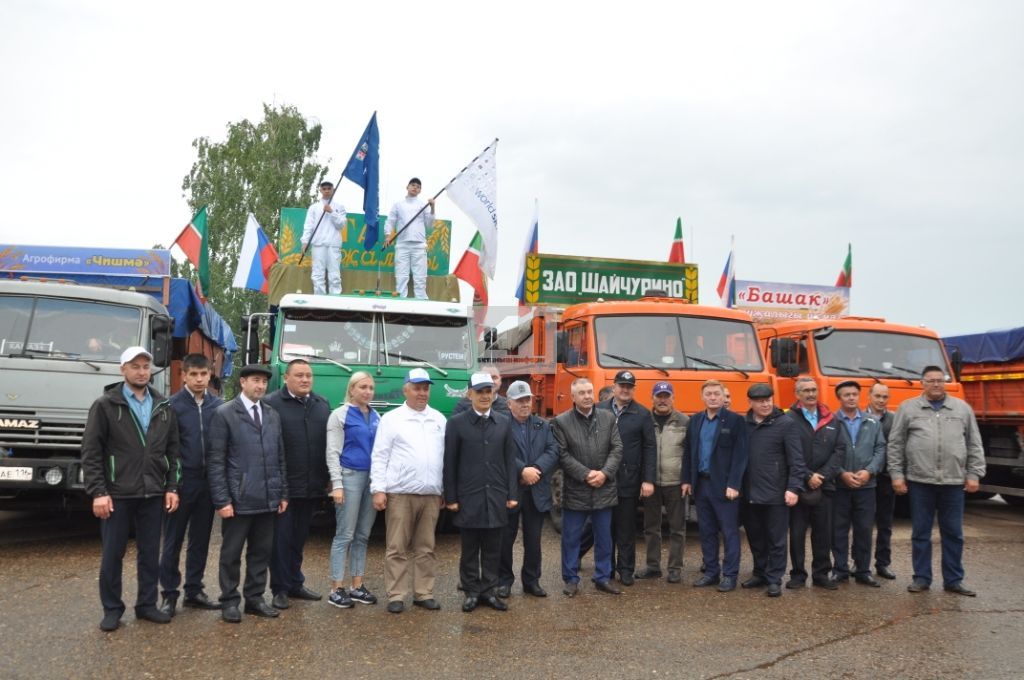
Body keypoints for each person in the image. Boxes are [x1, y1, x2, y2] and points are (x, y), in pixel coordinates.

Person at [81, 346, 181, 632]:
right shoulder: (106, 405)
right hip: (117, 494)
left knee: (150, 553)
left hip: (153, 493)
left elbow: (173, 451)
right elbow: (90, 451)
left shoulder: (163, 406)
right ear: (122, 369)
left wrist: (172, 486)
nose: (141, 371)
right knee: (113, 554)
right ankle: (112, 609)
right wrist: (98, 491)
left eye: (145, 366)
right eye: (135, 366)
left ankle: (146, 605)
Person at [888, 366, 986, 596]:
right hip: (920, 481)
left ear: (945, 383)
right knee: (921, 532)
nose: (935, 384)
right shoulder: (908, 408)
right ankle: (922, 578)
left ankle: (953, 580)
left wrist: (974, 474)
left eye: (939, 380)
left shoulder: (962, 409)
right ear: (922, 383)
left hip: (953, 482)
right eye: (930, 380)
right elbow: (895, 444)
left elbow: (974, 443)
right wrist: (897, 475)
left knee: (953, 533)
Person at [207, 364, 289, 623]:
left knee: (260, 553)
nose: (261, 386)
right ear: (243, 382)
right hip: (238, 500)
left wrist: (282, 493)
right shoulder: (225, 413)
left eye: (264, 382)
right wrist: (222, 500)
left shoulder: (272, 414)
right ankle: (229, 601)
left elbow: (280, 457)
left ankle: (254, 599)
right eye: (256, 380)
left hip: (267, 499)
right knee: (231, 555)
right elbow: (216, 461)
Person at [370, 368, 447, 613]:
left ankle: (423, 593)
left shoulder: (438, 419)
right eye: (417, 388)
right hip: (400, 493)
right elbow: (380, 456)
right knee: (397, 547)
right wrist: (378, 489)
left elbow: (444, 457)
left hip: (431, 494)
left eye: (425, 388)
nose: (422, 393)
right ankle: (396, 594)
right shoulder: (392, 419)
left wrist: (444, 488)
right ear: (406, 389)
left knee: (426, 547)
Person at [444, 373, 519, 612]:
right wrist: (452, 497)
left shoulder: (504, 422)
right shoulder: (456, 423)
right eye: (480, 392)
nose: (485, 396)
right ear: (470, 395)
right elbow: (450, 463)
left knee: (493, 548)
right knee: (469, 549)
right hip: (468, 497)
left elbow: (509, 460)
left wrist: (512, 494)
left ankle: (489, 590)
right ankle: (471, 591)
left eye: (488, 391)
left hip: (496, 495)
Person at [158, 354, 223, 616]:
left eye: (203, 374)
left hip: (207, 483)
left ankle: (194, 590)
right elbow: (166, 450)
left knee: (200, 539)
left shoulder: (217, 406)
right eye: (193, 374)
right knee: (172, 540)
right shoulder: (171, 406)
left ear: (210, 375)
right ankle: (169, 594)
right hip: (182, 483)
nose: (199, 379)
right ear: (183, 375)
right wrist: (170, 485)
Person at [264, 359, 331, 609]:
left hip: (312, 486)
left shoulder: (321, 404)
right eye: (299, 375)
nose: (305, 380)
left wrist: (326, 479)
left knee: (299, 538)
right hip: (283, 487)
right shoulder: (271, 404)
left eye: (309, 376)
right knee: (280, 540)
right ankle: (279, 588)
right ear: (286, 378)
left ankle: (295, 582)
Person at [553, 378, 623, 597]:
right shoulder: (561, 422)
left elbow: (617, 448)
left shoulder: (608, 418)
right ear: (572, 397)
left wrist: (604, 473)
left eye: (589, 392)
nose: (586, 396)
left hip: (604, 487)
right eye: (581, 393)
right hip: (576, 490)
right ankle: (571, 579)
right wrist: (585, 474)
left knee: (604, 537)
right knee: (571, 538)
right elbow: (561, 454)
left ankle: (603, 577)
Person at [682, 380, 749, 592]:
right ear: (702, 397)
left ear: (723, 397)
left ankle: (730, 575)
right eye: (708, 394)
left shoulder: (735, 421)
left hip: (724, 487)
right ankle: (711, 572)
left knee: (729, 533)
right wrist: (686, 480)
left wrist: (734, 484)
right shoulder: (695, 421)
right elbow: (688, 452)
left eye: (716, 394)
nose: (712, 397)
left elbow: (741, 456)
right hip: (701, 485)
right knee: (706, 531)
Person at [741, 383, 805, 597]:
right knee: (755, 536)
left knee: (776, 539)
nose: (766, 403)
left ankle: (774, 578)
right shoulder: (743, 424)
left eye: (768, 399)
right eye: (760, 400)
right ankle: (759, 573)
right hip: (749, 493)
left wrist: (794, 487)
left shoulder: (785, 424)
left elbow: (797, 460)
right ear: (750, 403)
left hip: (777, 493)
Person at [497, 380, 560, 598]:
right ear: (509, 404)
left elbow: (553, 450)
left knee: (533, 540)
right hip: (511, 490)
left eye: (528, 399)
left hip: (536, 490)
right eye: (520, 400)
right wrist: (522, 470)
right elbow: (500, 452)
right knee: (506, 538)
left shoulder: (543, 425)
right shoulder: (501, 425)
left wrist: (536, 470)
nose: (525, 404)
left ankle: (532, 581)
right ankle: (503, 581)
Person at [325, 372, 381, 609]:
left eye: (370, 388)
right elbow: (332, 452)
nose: (367, 391)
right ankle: (335, 588)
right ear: (352, 389)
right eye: (362, 387)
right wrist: (336, 484)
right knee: (345, 535)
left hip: (372, 479)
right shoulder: (340, 415)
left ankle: (356, 585)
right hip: (349, 477)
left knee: (362, 535)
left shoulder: (376, 415)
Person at [786, 376, 846, 590]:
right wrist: (807, 475)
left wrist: (821, 475)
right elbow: (789, 453)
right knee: (797, 533)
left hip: (825, 486)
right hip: (799, 485)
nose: (811, 394)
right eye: (806, 391)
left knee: (823, 533)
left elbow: (839, 451)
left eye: (813, 390)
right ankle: (798, 574)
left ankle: (821, 574)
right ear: (797, 395)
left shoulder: (832, 419)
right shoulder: (789, 419)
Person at [596, 370, 655, 586]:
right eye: (621, 385)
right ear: (614, 387)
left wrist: (648, 479)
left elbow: (650, 447)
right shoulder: (599, 409)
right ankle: (606, 569)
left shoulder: (642, 414)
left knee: (626, 529)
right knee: (604, 529)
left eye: (629, 386)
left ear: (634, 389)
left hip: (629, 480)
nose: (625, 389)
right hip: (603, 479)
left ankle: (626, 570)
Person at [832, 381, 887, 587]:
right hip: (840, 486)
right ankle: (840, 569)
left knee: (864, 529)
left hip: (866, 486)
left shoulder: (873, 422)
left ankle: (863, 570)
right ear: (839, 398)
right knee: (839, 529)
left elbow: (881, 449)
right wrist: (841, 473)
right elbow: (827, 452)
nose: (851, 398)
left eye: (854, 394)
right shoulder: (832, 421)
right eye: (846, 395)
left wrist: (869, 471)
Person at [635, 381, 689, 584]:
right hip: (651, 483)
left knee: (677, 528)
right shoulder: (644, 420)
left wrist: (687, 479)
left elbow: (690, 453)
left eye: (667, 396)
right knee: (651, 527)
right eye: (659, 396)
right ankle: (652, 566)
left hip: (675, 482)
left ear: (673, 398)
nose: (663, 400)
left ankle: (675, 568)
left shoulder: (684, 421)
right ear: (652, 398)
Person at [384, 177, 435, 299]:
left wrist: (432, 207)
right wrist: (387, 235)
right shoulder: (398, 205)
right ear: (407, 187)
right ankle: (401, 301)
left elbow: (430, 224)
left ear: (420, 190)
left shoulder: (424, 205)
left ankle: (422, 302)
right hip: (402, 244)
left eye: (418, 186)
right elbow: (390, 221)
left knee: (420, 277)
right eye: (412, 185)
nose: (415, 187)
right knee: (401, 276)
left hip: (419, 245)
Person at [865, 383, 897, 579]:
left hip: (885, 479)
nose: (881, 400)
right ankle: (860, 563)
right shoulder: (859, 418)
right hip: (864, 479)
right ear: (869, 396)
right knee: (862, 524)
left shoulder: (895, 419)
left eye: (884, 397)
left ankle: (883, 564)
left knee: (885, 524)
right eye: (877, 396)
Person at [301, 180, 347, 295]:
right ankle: (319, 300)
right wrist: (305, 242)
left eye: (329, 188)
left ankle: (335, 300)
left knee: (335, 275)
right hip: (318, 244)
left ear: (333, 190)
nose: (326, 191)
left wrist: (331, 212)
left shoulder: (340, 207)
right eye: (324, 189)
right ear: (320, 190)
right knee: (317, 274)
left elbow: (341, 224)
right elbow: (308, 226)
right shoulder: (314, 207)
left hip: (333, 244)